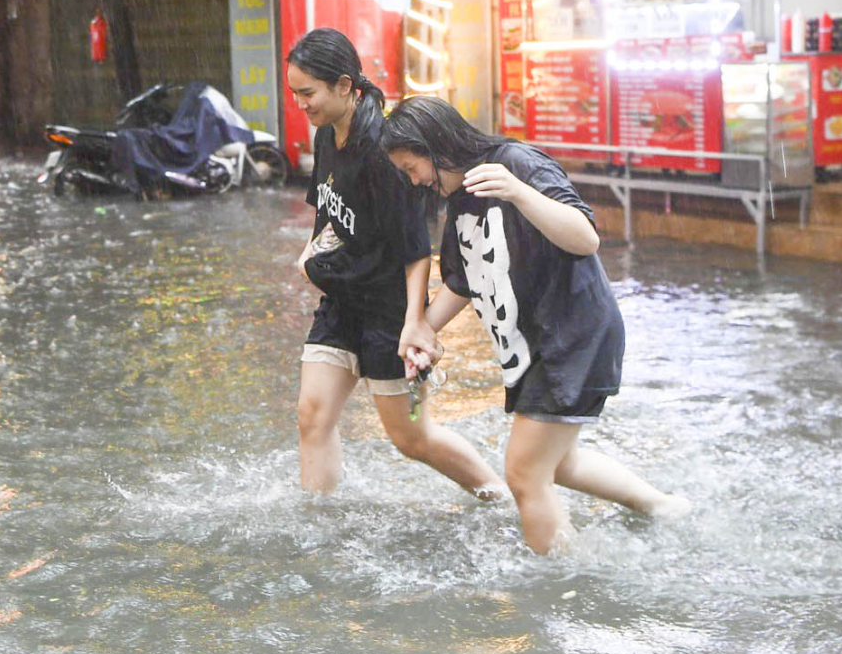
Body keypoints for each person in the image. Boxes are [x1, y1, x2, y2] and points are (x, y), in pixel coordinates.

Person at [378, 96, 689, 554]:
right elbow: (463, 280)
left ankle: (566, 582)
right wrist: (424, 329)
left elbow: (586, 239)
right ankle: (661, 507)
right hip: (533, 346)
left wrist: (519, 192)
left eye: (412, 166)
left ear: (434, 144)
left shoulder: (514, 163)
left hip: (572, 337)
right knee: (557, 464)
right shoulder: (461, 197)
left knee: (524, 474)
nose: (415, 180)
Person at [286, 29, 505, 500]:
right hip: (341, 305)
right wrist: (310, 254)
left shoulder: (384, 152)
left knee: (411, 439)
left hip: (387, 311)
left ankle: (497, 494)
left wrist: (415, 325)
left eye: (308, 93)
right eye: (295, 94)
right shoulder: (326, 136)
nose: (301, 104)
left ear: (344, 85)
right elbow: (328, 213)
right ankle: (318, 524)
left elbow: (415, 250)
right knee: (312, 415)